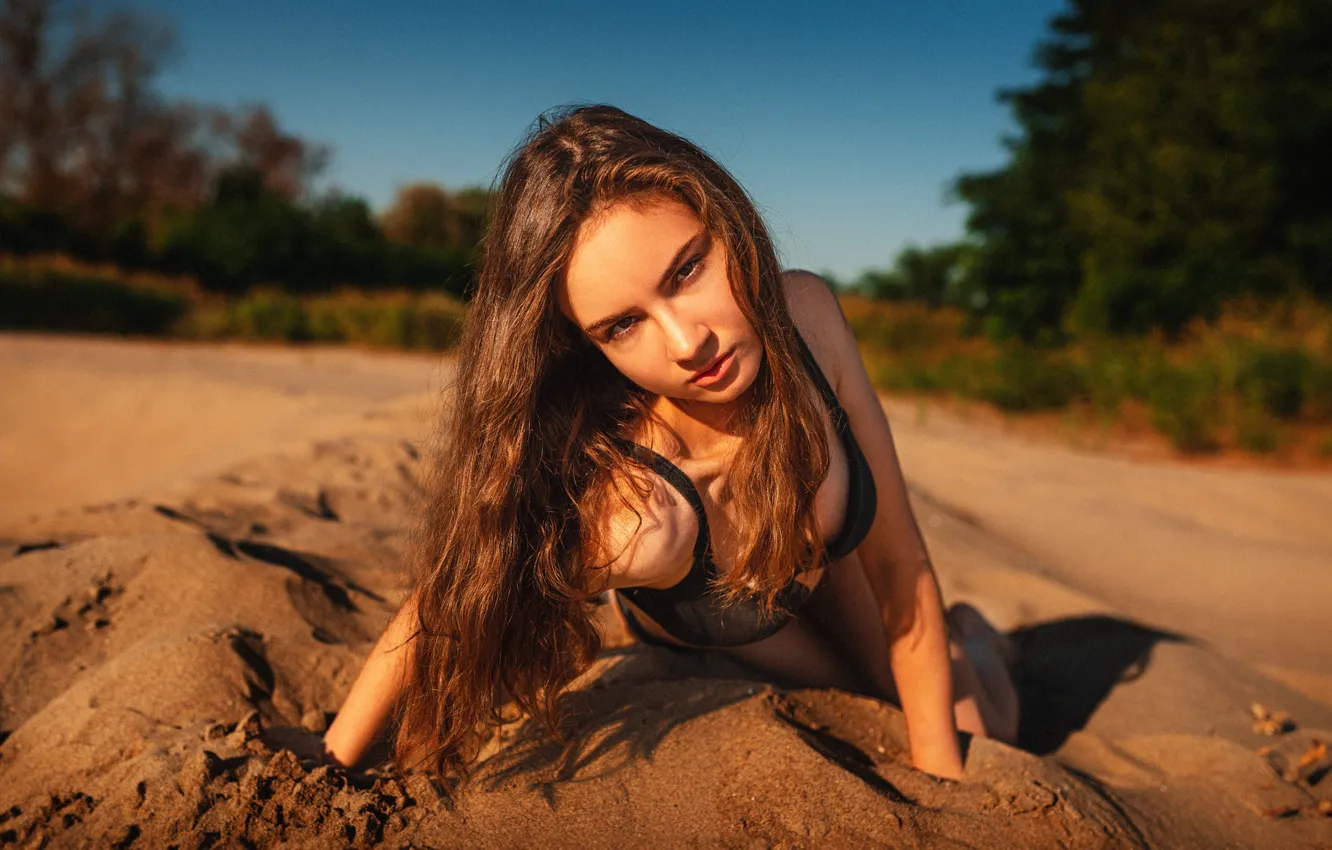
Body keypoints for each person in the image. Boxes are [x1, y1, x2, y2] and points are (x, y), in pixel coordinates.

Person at [321, 104, 1019, 784]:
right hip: (736, 610)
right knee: (872, 700)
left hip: (827, 556)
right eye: (623, 325)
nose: (688, 344)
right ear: (586, 347)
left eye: (687, 271)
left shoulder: (809, 315)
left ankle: (978, 636)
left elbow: (901, 564)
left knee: (978, 723)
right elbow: (452, 598)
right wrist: (333, 761)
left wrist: (944, 788)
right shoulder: (638, 516)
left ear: (727, 219)